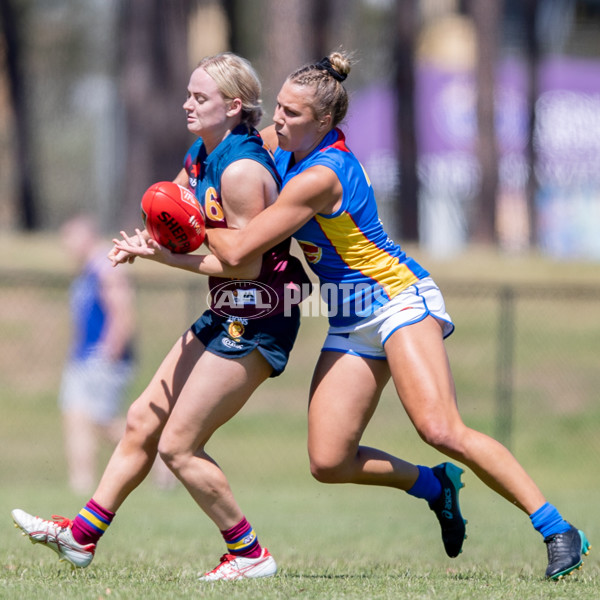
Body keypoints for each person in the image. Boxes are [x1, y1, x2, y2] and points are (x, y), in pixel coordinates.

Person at [203, 51, 591, 581]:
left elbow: (242, 247)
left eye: (292, 115)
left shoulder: (321, 174)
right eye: (277, 108)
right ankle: (436, 486)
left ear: (325, 122)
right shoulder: (285, 143)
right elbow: (228, 154)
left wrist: (183, 226)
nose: (277, 120)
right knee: (328, 460)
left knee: (440, 427)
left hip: (396, 301)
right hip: (348, 317)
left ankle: (557, 528)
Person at [12, 52, 310, 582]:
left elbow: (244, 266)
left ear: (234, 106)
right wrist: (147, 236)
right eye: (189, 94)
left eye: (201, 98)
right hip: (228, 309)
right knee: (141, 419)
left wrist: (164, 256)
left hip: (262, 312)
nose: (187, 104)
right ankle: (81, 537)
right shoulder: (202, 153)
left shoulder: (241, 171)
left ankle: (249, 554)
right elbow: (174, 205)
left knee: (178, 445)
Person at [59, 215, 136, 495]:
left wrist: (110, 351)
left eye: (69, 238)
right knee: (76, 417)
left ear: (86, 236)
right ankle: (81, 482)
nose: (66, 245)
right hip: (82, 358)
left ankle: (158, 454)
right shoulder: (87, 271)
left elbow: (123, 314)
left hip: (102, 358)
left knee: (102, 420)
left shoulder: (107, 267)